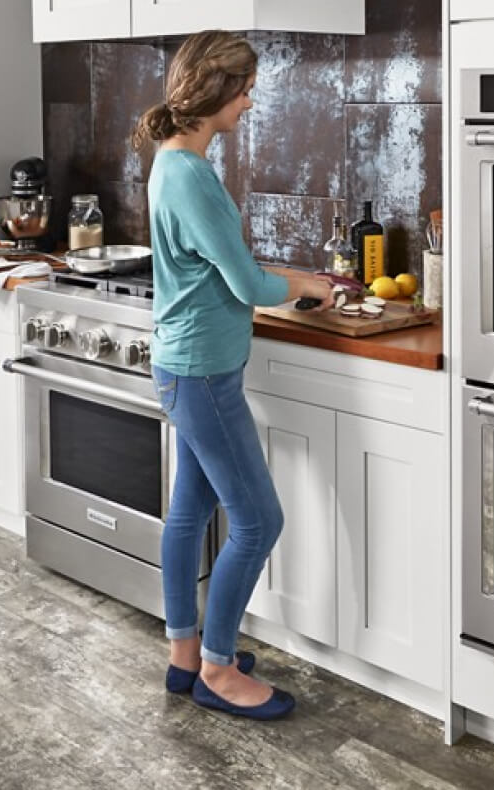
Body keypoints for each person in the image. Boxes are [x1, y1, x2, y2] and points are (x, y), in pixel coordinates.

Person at [131, 30, 333, 721]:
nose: (251, 100)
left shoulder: (171, 162)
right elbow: (246, 281)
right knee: (257, 519)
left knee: (190, 510)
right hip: (202, 373)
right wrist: (308, 282)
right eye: (245, 87)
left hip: (188, 364)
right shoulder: (190, 174)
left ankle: (185, 654)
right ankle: (218, 667)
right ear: (216, 91)